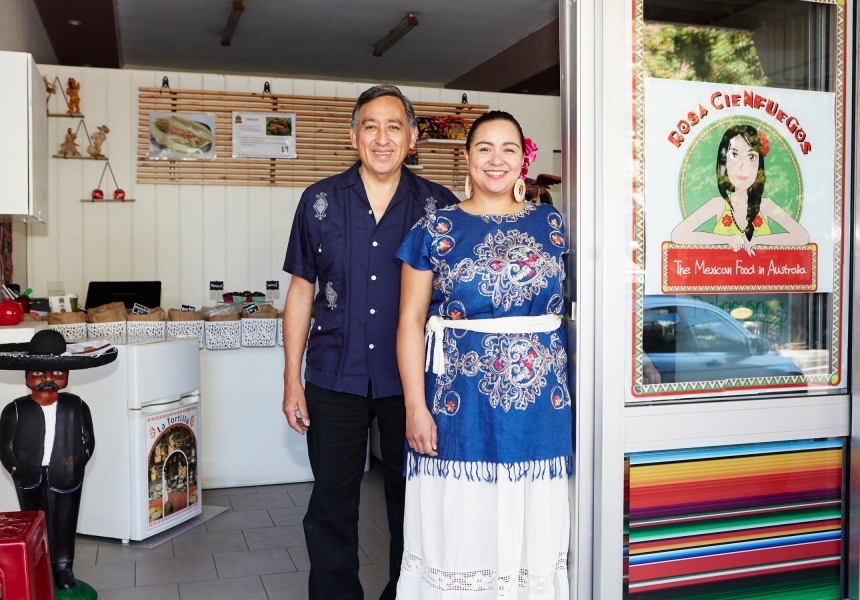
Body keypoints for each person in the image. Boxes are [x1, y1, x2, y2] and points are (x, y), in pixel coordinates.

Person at [281, 84, 459, 599]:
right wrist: (292, 377)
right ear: (353, 135)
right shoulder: (318, 201)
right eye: (371, 126)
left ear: (412, 138)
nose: (382, 138)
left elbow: (456, 300)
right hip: (334, 376)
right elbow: (300, 291)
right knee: (332, 504)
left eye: (394, 126)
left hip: (413, 384)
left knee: (414, 505)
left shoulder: (438, 207)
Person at [395, 111, 573, 598]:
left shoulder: (552, 223)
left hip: (540, 407)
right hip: (460, 405)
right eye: (484, 149)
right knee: (462, 529)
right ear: (468, 157)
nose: (497, 160)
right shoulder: (435, 228)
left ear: (523, 159)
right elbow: (410, 321)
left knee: (530, 529)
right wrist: (415, 406)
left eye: (508, 149)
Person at [0, 329, 117, 591]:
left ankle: (63, 568)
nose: (48, 379)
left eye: (57, 373)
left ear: (67, 376)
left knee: (65, 521)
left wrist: (76, 462)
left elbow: (88, 440)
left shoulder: (76, 405)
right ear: (26, 377)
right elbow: (5, 444)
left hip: (66, 473)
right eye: (39, 373)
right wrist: (17, 470)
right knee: (34, 523)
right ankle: (36, 565)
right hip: (28, 475)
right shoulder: (15, 409)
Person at [671, 124, 809, 256]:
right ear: (724, 161)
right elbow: (678, 234)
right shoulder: (718, 204)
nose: (743, 167)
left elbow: (802, 237)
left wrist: (758, 241)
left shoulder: (765, 206)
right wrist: (726, 239)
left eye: (751, 157)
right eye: (734, 155)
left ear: (759, 165)